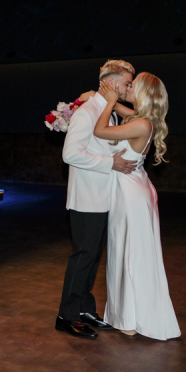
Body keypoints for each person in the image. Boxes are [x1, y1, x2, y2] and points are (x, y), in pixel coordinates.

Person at [93, 73, 181, 340]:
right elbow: (122, 109)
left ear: (142, 92)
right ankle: (127, 316)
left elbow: (99, 131)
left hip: (131, 195)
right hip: (131, 189)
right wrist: (98, 97)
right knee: (126, 253)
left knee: (130, 255)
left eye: (132, 85)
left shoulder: (141, 124)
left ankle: (131, 319)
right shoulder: (139, 118)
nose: (127, 87)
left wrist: (107, 102)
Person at [56, 60, 137, 340]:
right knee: (83, 257)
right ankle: (66, 316)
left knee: (92, 258)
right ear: (113, 83)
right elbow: (70, 154)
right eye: (127, 83)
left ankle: (84, 310)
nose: (129, 87)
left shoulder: (107, 111)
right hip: (87, 198)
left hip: (104, 197)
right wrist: (110, 163)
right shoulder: (88, 112)